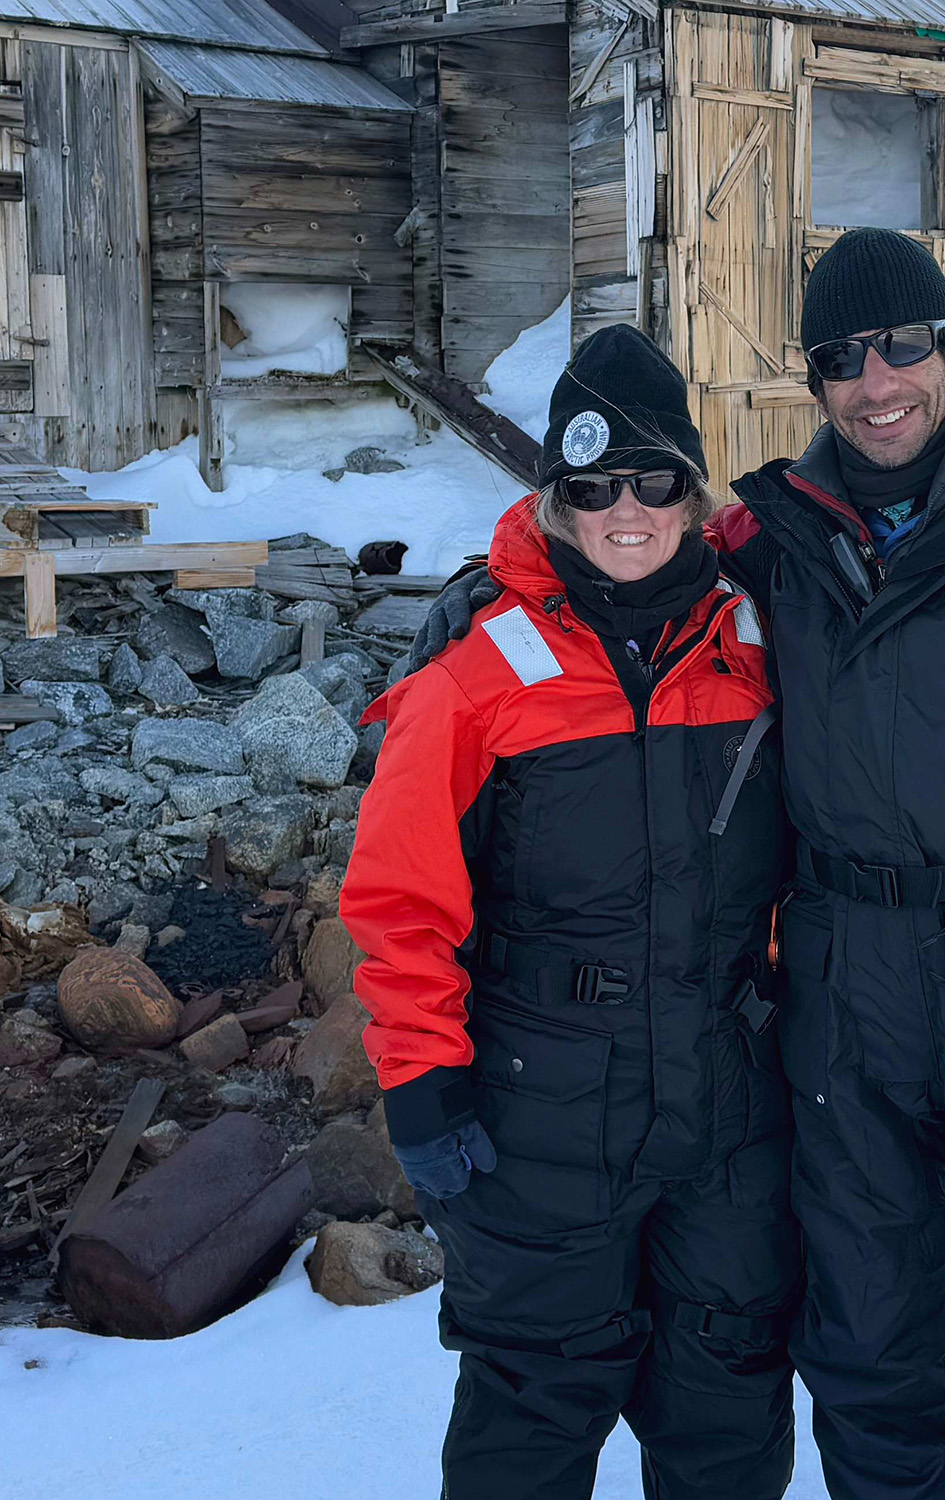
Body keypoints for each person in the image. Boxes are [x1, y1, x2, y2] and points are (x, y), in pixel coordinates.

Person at [401, 231, 945, 1500]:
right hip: (843, 996)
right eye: (841, 358)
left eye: (903, 346)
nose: (876, 381)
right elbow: (625, 553)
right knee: (870, 1348)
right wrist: (490, 600)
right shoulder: (775, 547)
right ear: (815, 384)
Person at [342, 325, 799, 1500]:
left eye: (653, 479)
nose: (625, 510)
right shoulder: (475, 668)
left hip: (729, 1105)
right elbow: (400, 903)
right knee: (531, 1414)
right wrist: (423, 1085)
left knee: (727, 1410)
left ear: (693, 494)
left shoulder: (761, 643)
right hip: (540, 1108)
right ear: (555, 503)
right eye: (590, 488)